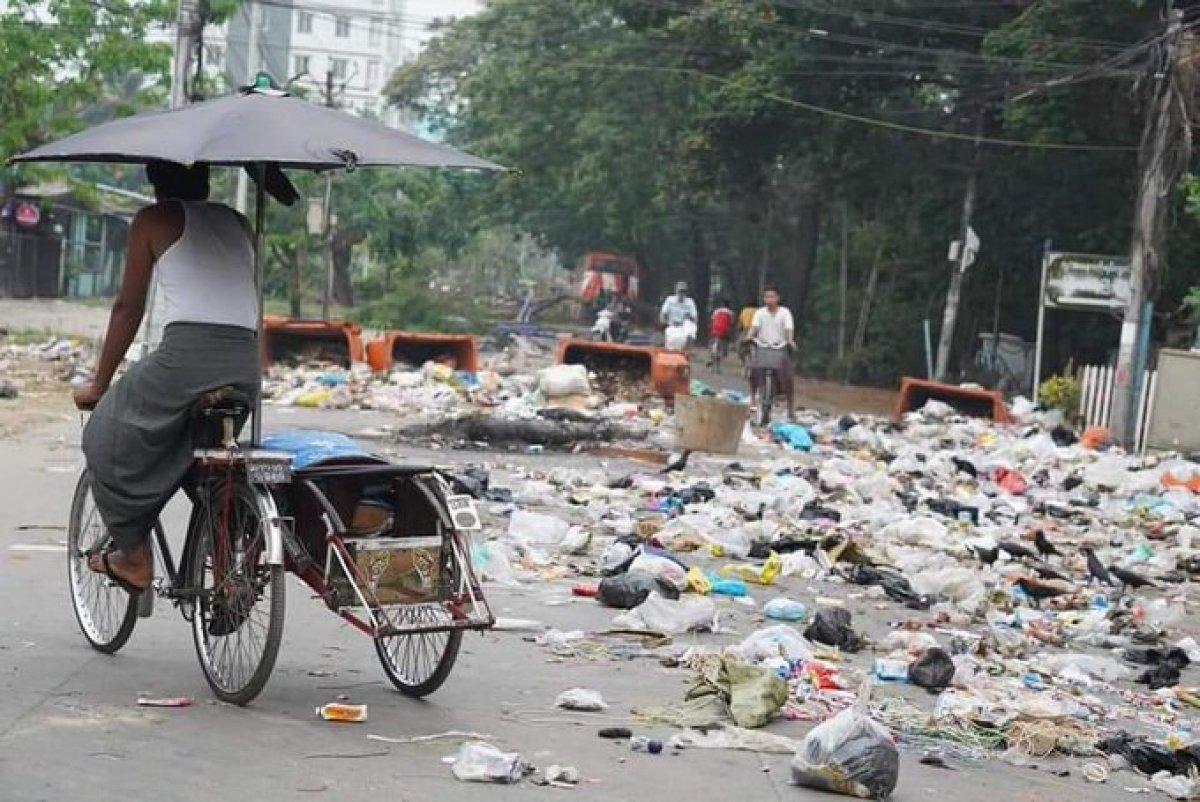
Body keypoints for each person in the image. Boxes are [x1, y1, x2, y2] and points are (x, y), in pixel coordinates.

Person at [72, 160, 260, 594]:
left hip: (188, 359)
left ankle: (133, 556)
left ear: (155, 183)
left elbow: (129, 308)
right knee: (204, 458)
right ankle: (229, 553)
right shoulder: (240, 223)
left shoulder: (153, 219)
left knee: (102, 436)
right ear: (206, 180)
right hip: (245, 365)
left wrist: (99, 386)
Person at [745, 287, 797, 421]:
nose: (769, 300)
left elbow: (788, 329)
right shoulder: (760, 313)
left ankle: (790, 407)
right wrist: (749, 336)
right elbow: (754, 328)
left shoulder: (785, 313)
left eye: (772, 297)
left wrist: (790, 340)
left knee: (789, 378)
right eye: (766, 297)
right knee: (753, 371)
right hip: (762, 346)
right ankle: (752, 398)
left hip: (779, 347)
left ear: (777, 298)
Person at [659, 280, 697, 349]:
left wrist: (689, 318)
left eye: (683, 291)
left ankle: (687, 350)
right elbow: (663, 314)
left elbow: (694, 318)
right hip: (672, 325)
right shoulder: (670, 300)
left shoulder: (690, 302)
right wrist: (665, 323)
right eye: (680, 291)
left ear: (686, 292)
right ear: (676, 291)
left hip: (684, 326)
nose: (681, 294)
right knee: (671, 337)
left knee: (691, 328)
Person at [707, 297, 734, 372]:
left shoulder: (716, 311)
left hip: (715, 332)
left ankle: (712, 366)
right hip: (724, 334)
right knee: (722, 351)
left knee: (713, 348)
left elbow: (712, 321)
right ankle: (718, 368)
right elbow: (731, 324)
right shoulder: (730, 313)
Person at [737, 297, 759, 365]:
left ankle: (742, 360)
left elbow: (740, 323)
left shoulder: (744, 310)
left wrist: (739, 330)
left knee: (740, 346)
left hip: (746, 330)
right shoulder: (759, 311)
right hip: (756, 331)